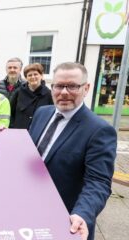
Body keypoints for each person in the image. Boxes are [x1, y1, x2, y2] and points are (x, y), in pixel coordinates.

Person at [29, 62, 117, 240]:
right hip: (31, 214)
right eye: (59, 86)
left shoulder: (99, 130)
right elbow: (29, 156)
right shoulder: (41, 113)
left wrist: (82, 214)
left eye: (72, 86)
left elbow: (98, 182)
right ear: (52, 87)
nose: (64, 92)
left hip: (65, 222)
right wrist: (5, 140)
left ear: (86, 88)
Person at [10, 63, 53, 129]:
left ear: (41, 76)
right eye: (29, 75)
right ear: (26, 78)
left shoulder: (49, 94)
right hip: (19, 132)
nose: (33, 77)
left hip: (38, 132)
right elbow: (11, 112)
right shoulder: (18, 92)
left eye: (35, 74)